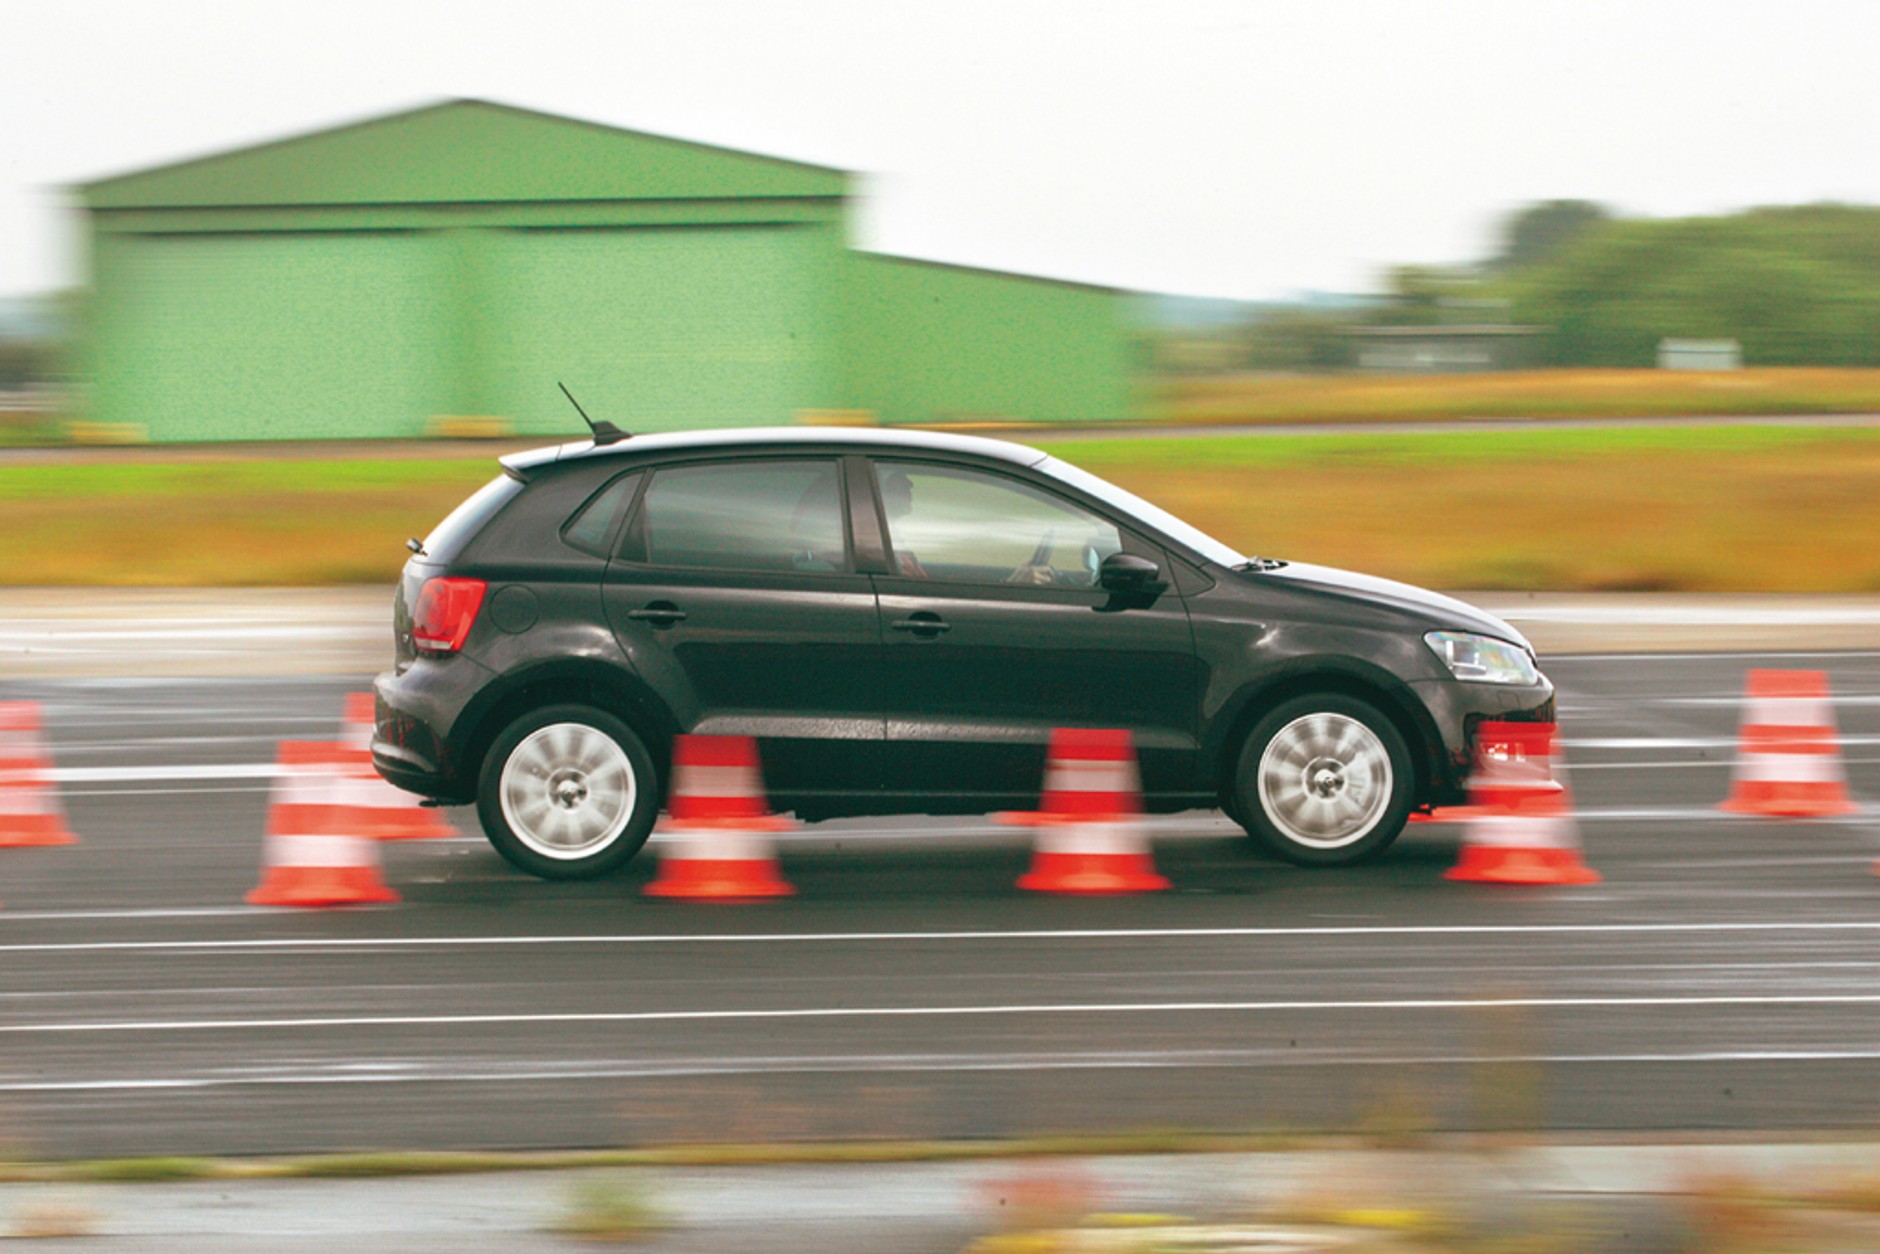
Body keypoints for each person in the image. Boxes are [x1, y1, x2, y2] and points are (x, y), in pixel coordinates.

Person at [880, 471, 928, 578]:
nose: (909, 494)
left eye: (907, 489)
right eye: (901, 490)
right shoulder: (880, 536)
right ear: (883, 495)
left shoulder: (892, 532)